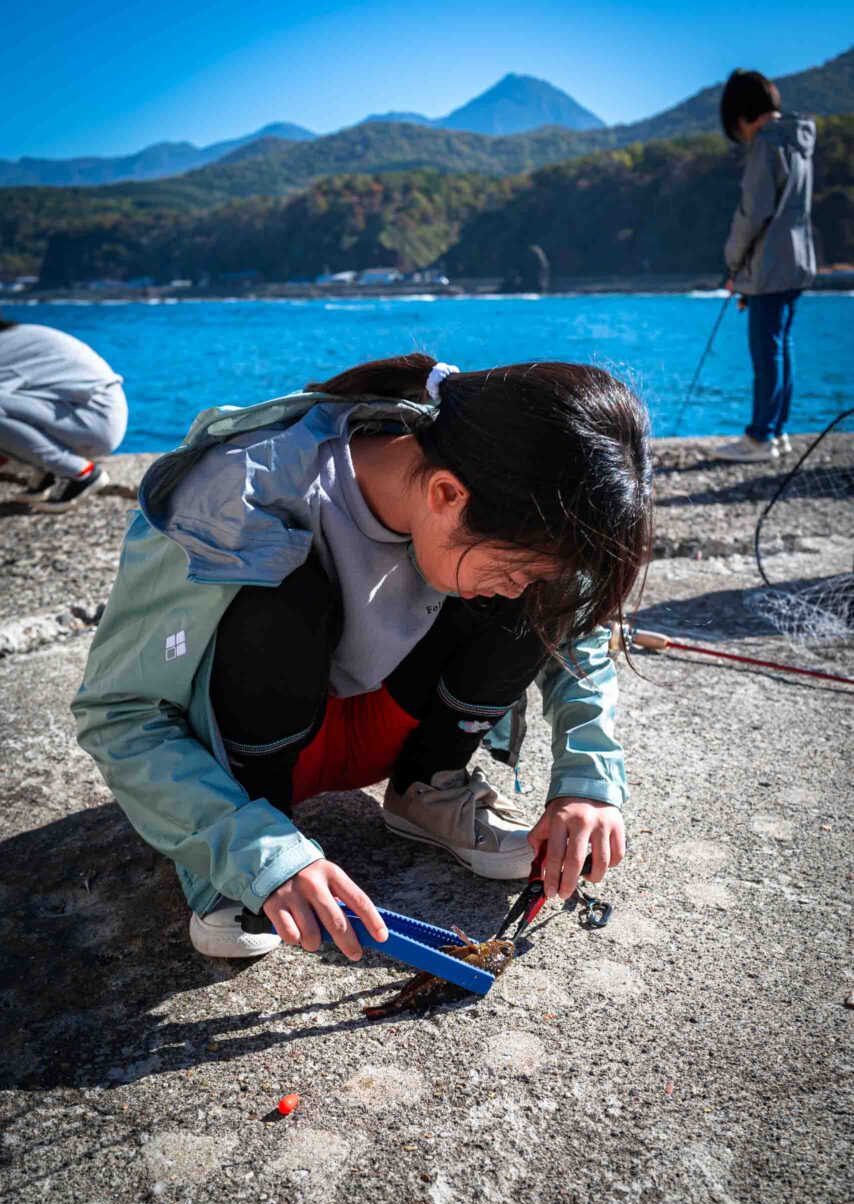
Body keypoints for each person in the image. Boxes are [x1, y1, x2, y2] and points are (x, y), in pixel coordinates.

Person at [73, 354, 652, 961]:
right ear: (446, 493)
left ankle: (428, 786)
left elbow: (575, 626)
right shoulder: (235, 496)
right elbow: (120, 712)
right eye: (513, 568)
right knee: (284, 592)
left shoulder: (490, 476)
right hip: (246, 756)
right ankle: (256, 840)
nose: (517, 588)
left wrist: (587, 783)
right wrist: (254, 853)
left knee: (535, 587)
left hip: (386, 726)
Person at [713, 69, 816, 464]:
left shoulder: (765, 146)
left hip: (769, 265)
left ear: (740, 116)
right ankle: (777, 430)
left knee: (765, 350)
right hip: (798, 259)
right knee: (781, 346)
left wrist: (733, 261)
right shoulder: (799, 141)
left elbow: (752, 212)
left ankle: (759, 437)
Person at [0, 318, 127, 508]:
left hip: (90, 420)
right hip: (89, 414)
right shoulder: (14, 336)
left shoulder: (5, 347)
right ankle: (47, 472)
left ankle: (80, 472)